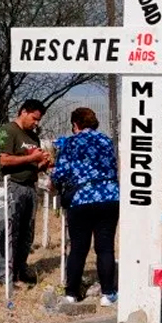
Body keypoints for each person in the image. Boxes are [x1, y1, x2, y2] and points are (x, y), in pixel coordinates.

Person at [51, 107, 119, 307]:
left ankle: (72, 293)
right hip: (109, 198)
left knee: (79, 248)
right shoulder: (106, 141)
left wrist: (53, 180)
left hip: (81, 199)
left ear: (75, 124)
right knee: (105, 247)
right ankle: (108, 293)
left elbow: (60, 173)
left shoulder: (70, 143)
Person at [0, 99, 51, 286]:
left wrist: (42, 163)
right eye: (34, 118)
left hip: (30, 186)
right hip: (12, 185)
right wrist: (31, 157)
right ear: (24, 112)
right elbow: (3, 160)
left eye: (39, 120)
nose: (36, 123)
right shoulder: (8, 131)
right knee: (10, 231)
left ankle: (20, 269)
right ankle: (4, 274)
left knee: (27, 233)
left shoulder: (33, 137)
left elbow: (33, 164)